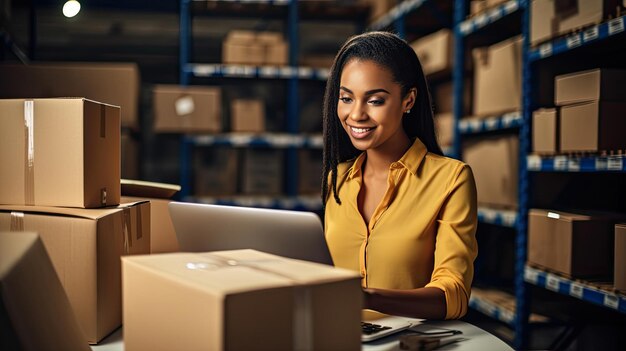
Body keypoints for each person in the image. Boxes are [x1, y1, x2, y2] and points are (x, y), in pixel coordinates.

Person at [321, 31, 478, 320]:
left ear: (408, 100)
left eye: (375, 101)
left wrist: (367, 298)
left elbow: (453, 295)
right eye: (346, 98)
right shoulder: (337, 179)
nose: (356, 114)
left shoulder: (451, 179)